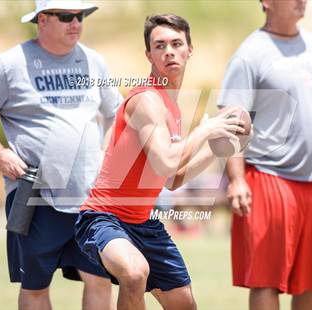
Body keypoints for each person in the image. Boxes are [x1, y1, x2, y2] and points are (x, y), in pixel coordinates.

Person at [0, 0, 123, 309]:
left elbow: (116, 112)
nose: (76, 23)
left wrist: (104, 155)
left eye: (81, 16)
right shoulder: (11, 63)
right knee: (35, 284)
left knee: (99, 278)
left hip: (89, 196)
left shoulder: (94, 61)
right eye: (66, 16)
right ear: (42, 20)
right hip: (34, 195)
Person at [75, 14, 246, 310]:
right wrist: (205, 129)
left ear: (189, 49)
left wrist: (220, 149)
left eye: (177, 43)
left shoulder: (172, 107)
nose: (169, 51)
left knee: (183, 304)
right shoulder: (147, 101)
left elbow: (172, 178)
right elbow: (168, 162)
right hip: (103, 219)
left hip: (144, 223)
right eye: (160, 45)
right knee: (134, 271)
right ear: (149, 55)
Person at [218, 0, 312, 309]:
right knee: (266, 280)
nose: (302, 0)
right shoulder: (250, 54)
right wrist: (236, 179)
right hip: (268, 179)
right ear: (266, 2)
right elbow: (231, 123)